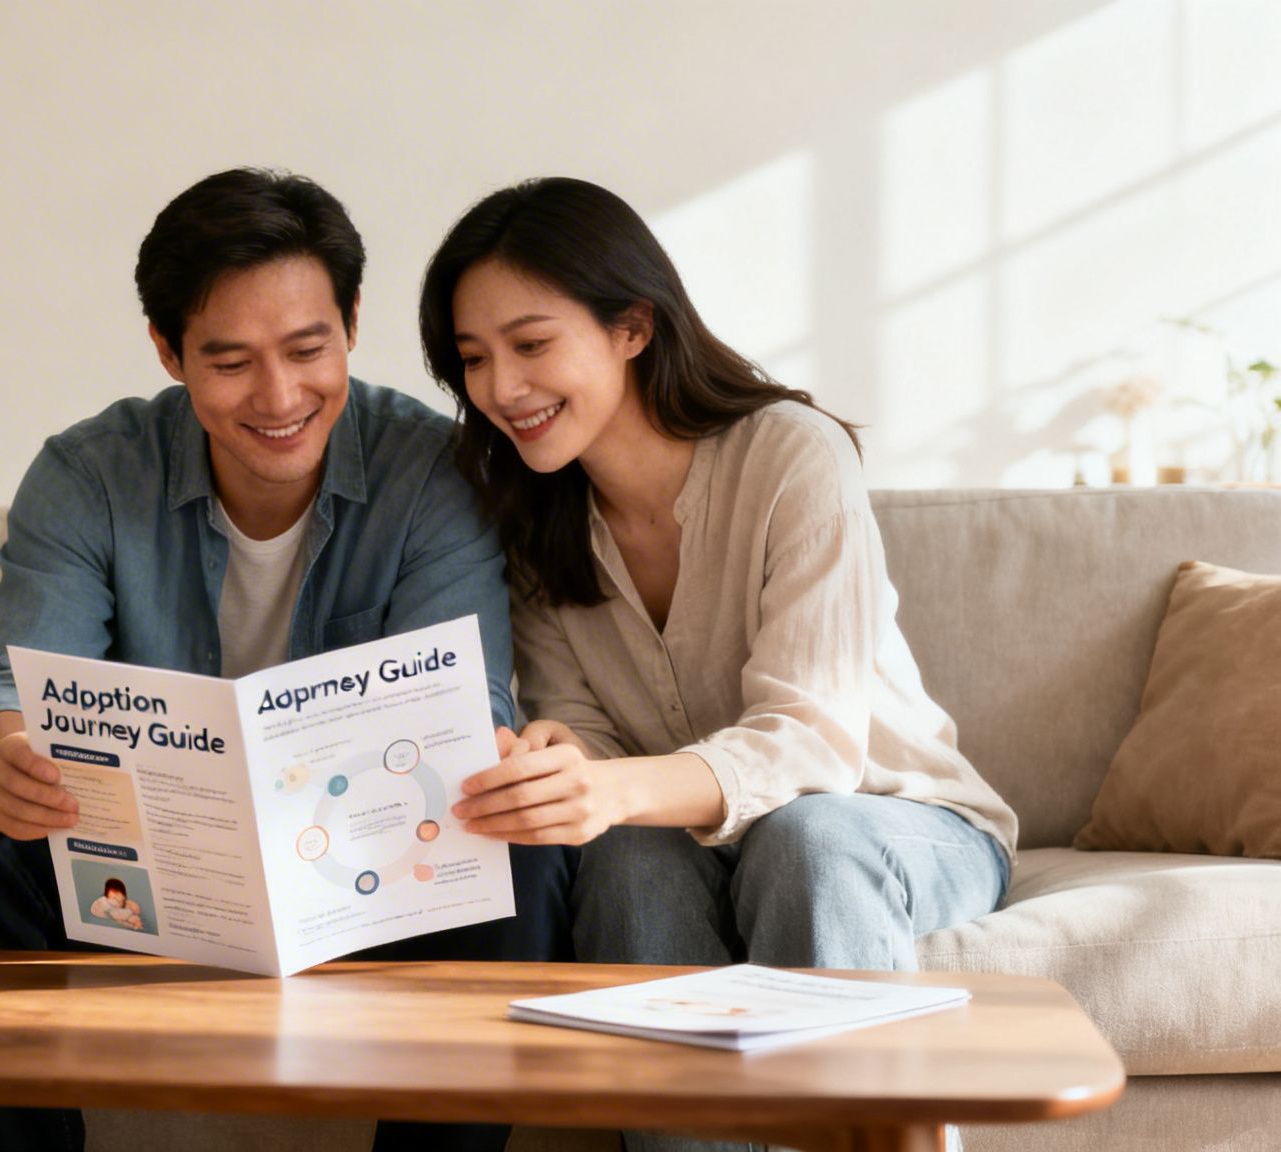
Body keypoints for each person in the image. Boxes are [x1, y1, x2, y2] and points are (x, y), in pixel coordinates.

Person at [0, 167, 576, 1152]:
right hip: (149, 857)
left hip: (364, 851)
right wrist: (6, 756)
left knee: (521, 848)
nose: (278, 396)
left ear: (349, 323)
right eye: (229, 361)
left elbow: (462, 703)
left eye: (307, 348)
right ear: (168, 352)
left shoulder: (432, 469)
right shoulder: (90, 473)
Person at [417, 177, 1017, 1152]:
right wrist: (559, 763)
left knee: (805, 839)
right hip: (683, 835)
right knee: (619, 862)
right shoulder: (528, 515)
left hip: (898, 823)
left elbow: (812, 744)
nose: (500, 389)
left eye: (530, 345)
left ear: (632, 328)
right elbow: (587, 729)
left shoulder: (792, 455)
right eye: (473, 358)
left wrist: (607, 786)